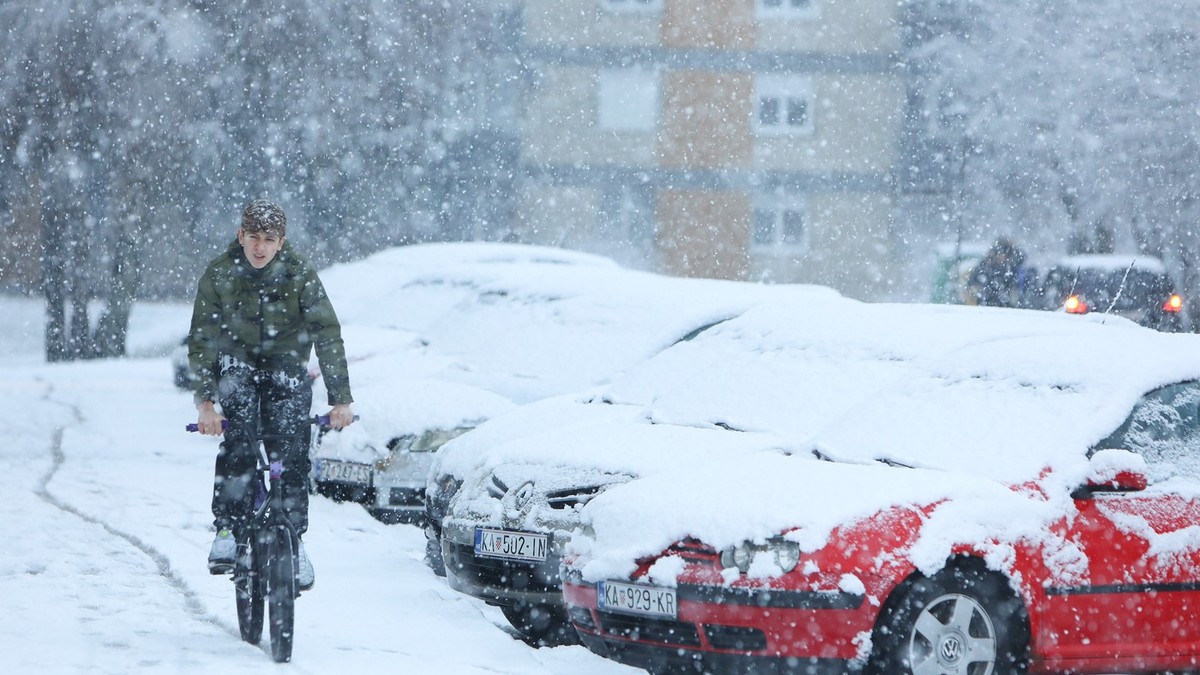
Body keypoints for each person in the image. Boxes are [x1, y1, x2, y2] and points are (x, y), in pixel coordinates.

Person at [188, 199, 354, 591]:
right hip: (238, 368)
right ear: (240, 236)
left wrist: (340, 400)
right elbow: (202, 340)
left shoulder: (300, 275)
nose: (259, 247)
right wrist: (206, 404)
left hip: (285, 369)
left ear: (281, 242)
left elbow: (326, 334)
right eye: (253, 238)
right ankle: (228, 529)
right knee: (240, 442)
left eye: (269, 239)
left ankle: (293, 539)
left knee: (293, 448)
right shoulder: (220, 274)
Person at [969, 237, 1029, 308]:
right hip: (985, 305)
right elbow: (972, 282)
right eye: (1000, 253)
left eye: (1007, 254)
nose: (1003, 257)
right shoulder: (986, 267)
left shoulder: (1012, 269)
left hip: (1007, 307)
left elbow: (1022, 258)